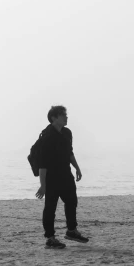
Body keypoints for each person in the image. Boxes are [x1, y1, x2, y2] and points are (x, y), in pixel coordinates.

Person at [35, 105, 89, 249]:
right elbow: (42, 164)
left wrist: (77, 168)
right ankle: (50, 238)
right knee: (50, 208)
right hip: (52, 178)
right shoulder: (47, 137)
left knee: (72, 201)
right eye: (63, 115)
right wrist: (43, 185)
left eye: (66, 114)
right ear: (54, 118)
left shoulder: (67, 133)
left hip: (66, 175)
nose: (66, 117)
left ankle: (71, 230)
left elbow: (69, 153)